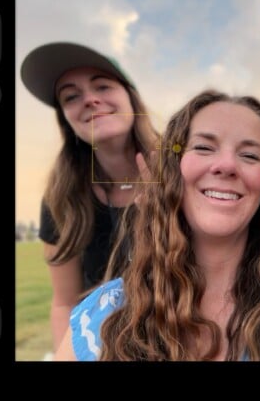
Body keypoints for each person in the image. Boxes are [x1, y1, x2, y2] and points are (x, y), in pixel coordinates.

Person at [54, 90, 260, 361]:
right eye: (204, 147)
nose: (226, 165)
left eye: (250, 155)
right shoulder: (102, 318)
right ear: (171, 171)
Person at [21, 42, 160, 353]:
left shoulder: (182, 170)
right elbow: (64, 302)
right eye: (71, 96)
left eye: (102, 86)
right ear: (66, 119)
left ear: (131, 98)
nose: (90, 100)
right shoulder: (61, 198)